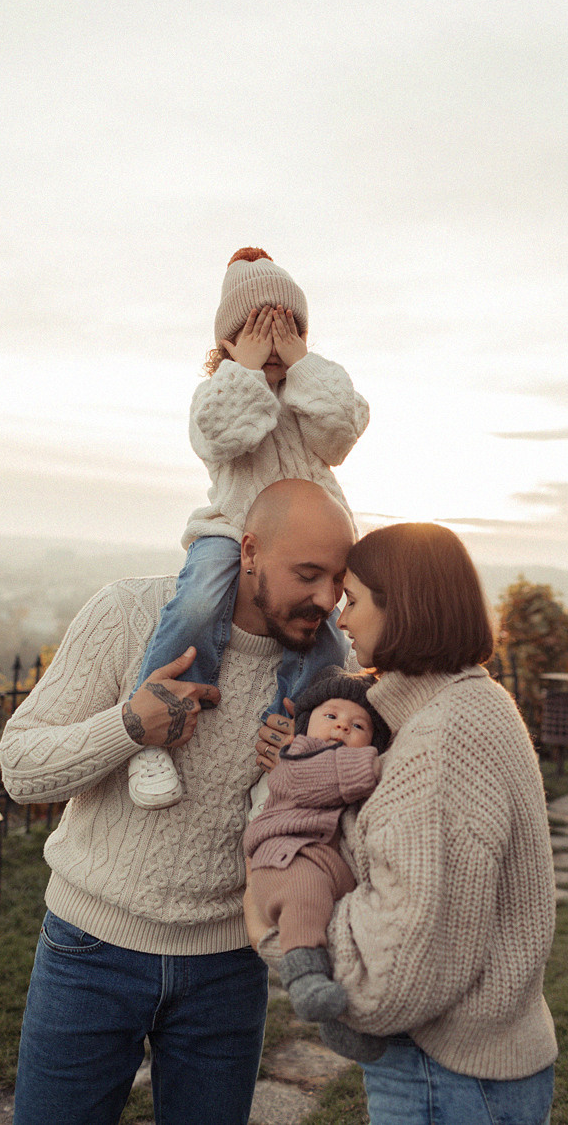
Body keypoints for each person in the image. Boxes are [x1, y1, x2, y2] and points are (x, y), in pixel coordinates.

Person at [0, 479, 356, 1125]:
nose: (326, 599)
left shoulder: (327, 674)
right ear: (247, 550)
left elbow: (332, 824)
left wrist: (301, 770)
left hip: (227, 969)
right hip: (90, 954)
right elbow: (20, 770)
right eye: (308, 574)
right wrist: (128, 725)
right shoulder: (129, 612)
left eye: (338, 579)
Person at [254, 522, 558, 1125]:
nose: (341, 620)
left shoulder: (442, 739)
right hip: (471, 1070)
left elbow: (395, 972)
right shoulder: (462, 706)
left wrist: (272, 929)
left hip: (446, 1076)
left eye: (356, 600)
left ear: (406, 609)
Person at [128, 246, 369, 809]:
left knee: (327, 642)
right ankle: (156, 728)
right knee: (195, 605)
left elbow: (341, 431)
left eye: (286, 327)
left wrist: (302, 366)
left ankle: (292, 748)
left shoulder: (311, 396)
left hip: (311, 544)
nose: (274, 342)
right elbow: (226, 433)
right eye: (257, 329)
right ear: (228, 344)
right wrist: (244, 370)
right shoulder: (218, 395)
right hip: (232, 531)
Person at [244, 666, 390, 1023]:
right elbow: (332, 774)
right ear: (306, 723)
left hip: (331, 867)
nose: (342, 726)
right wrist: (385, 764)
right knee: (306, 896)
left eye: (358, 726)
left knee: (345, 933)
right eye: (331, 716)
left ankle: (343, 1017)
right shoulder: (298, 755)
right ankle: (303, 973)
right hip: (287, 858)